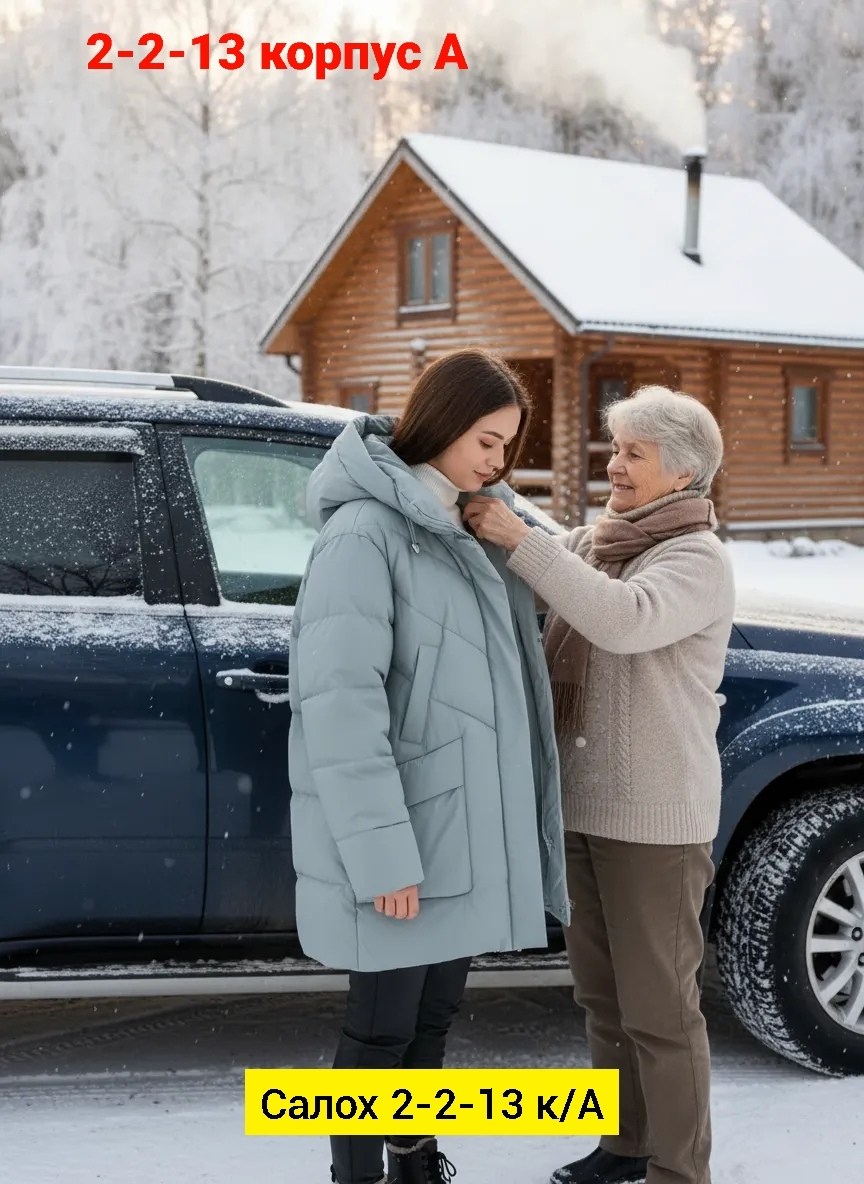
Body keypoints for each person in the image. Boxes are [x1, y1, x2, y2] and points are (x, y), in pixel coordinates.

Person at [288, 347, 569, 1184]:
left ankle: (415, 1166)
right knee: (380, 1032)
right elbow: (341, 708)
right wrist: (382, 857)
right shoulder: (364, 534)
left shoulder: (471, 525)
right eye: (487, 440)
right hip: (404, 834)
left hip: (460, 832)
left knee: (431, 1024)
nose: (498, 461)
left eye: (507, 446)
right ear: (443, 424)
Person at [464, 385, 735, 1184]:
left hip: (655, 824)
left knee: (661, 1013)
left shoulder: (695, 560)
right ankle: (624, 1147)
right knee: (605, 999)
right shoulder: (598, 543)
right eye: (613, 448)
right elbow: (540, 559)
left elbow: (621, 618)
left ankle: (680, 1170)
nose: (612, 464)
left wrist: (523, 539)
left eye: (632, 453)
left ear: (682, 473)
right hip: (584, 809)